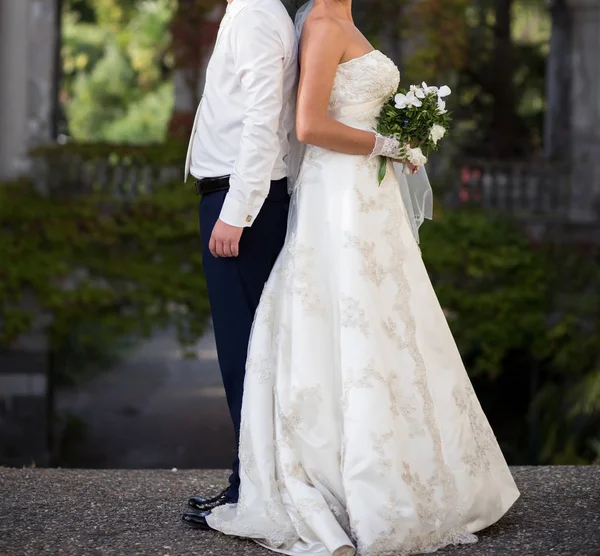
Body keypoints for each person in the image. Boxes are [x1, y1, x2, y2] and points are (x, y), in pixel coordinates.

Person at [191, 0, 521, 553]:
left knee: (387, 323)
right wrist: (388, 144)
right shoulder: (317, 22)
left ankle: (405, 469)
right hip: (337, 193)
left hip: (362, 193)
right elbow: (306, 124)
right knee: (342, 324)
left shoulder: (337, 20)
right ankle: (309, 480)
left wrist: (400, 137)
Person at [181, 0, 298, 524]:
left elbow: (262, 119)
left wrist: (236, 212)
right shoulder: (251, 10)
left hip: (240, 203)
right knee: (247, 352)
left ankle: (251, 491)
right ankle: (247, 481)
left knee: (244, 354)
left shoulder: (253, 14)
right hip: (236, 196)